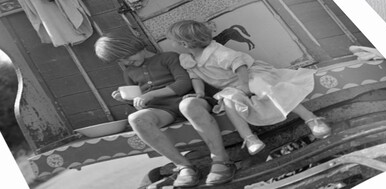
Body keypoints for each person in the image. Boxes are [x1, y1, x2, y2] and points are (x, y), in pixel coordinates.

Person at [167, 20, 332, 156]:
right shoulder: (186, 58)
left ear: (184, 43)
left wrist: (245, 86)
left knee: (263, 87)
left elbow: (240, 66)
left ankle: (311, 118)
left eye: (172, 40)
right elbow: (195, 76)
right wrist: (199, 93)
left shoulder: (216, 52)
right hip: (231, 86)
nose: (170, 43)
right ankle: (250, 138)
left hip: (249, 74)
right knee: (230, 102)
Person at [94, 31, 235, 187]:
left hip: (189, 100)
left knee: (188, 105)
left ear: (134, 47)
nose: (126, 63)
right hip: (163, 110)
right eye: (121, 61)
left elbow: (184, 84)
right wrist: (127, 100)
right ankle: (184, 166)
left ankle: (221, 160)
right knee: (136, 118)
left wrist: (151, 94)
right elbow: (140, 100)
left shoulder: (168, 57)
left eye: (127, 57)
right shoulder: (129, 72)